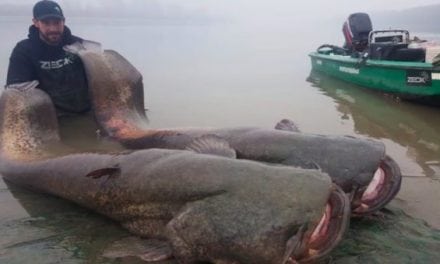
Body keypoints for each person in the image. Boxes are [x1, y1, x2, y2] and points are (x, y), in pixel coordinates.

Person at [6, 0, 91, 117]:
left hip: (86, 112)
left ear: (64, 21)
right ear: (36, 22)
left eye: (57, 22)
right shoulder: (24, 50)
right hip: (49, 117)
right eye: (46, 23)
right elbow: (15, 90)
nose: (53, 28)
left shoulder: (79, 45)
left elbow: (98, 74)